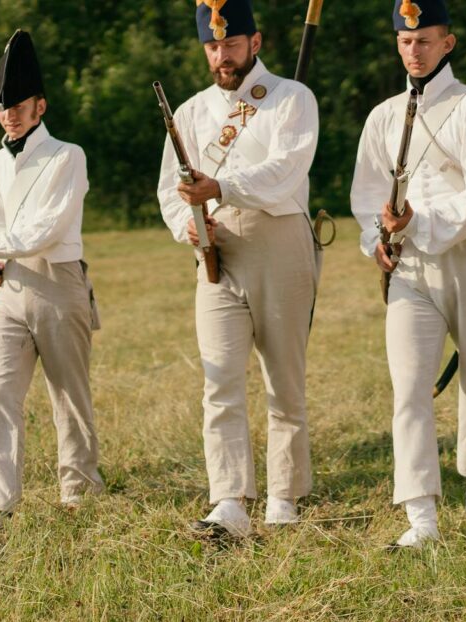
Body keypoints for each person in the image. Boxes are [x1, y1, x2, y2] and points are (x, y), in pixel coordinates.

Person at [156, 0, 320, 539]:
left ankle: (284, 495)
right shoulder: (190, 111)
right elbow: (169, 191)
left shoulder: (292, 98)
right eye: (213, 46)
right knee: (219, 378)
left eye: (231, 44)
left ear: (256, 41)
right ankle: (228, 498)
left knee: (284, 379)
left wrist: (221, 187)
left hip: (279, 240)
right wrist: (188, 223)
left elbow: (286, 169)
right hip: (216, 250)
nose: (222, 55)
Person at [350, 0, 466, 549]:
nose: (413, 52)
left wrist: (419, 221)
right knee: (409, 389)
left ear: (448, 43)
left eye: (424, 41)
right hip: (411, 268)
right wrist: (378, 238)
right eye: (405, 42)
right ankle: (420, 515)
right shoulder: (383, 115)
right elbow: (368, 195)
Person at [0, 30, 103, 528]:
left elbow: (48, 228)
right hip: (12, 286)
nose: (9, 114)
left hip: (59, 283)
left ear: (40, 105)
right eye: (2, 106)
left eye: (18, 104)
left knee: (69, 393)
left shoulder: (68, 155)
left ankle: (79, 488)